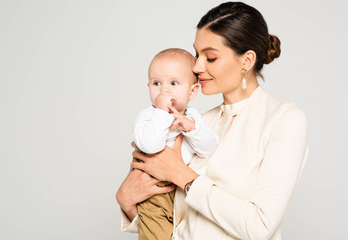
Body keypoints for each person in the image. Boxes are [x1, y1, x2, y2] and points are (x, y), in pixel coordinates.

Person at [116, 2, 308, 240]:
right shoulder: (195, 123)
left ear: (246, 61)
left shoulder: (284, 119)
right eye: (197, 54)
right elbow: (172, 221)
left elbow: (259, 227)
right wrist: (126, 199)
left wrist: (180, 174)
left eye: (211, 57)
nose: (196, 66)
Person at [132, 48, 219, 240]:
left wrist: (192, 129)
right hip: (154, 191)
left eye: (173, 83)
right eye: (156, 83)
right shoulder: (148, 116)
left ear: (193, 91)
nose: (164, 90)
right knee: (157, 235)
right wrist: (162, 114)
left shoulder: (192, 117)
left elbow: (208, 149)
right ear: (148, 87)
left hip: (183, 188)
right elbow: (150, 146)